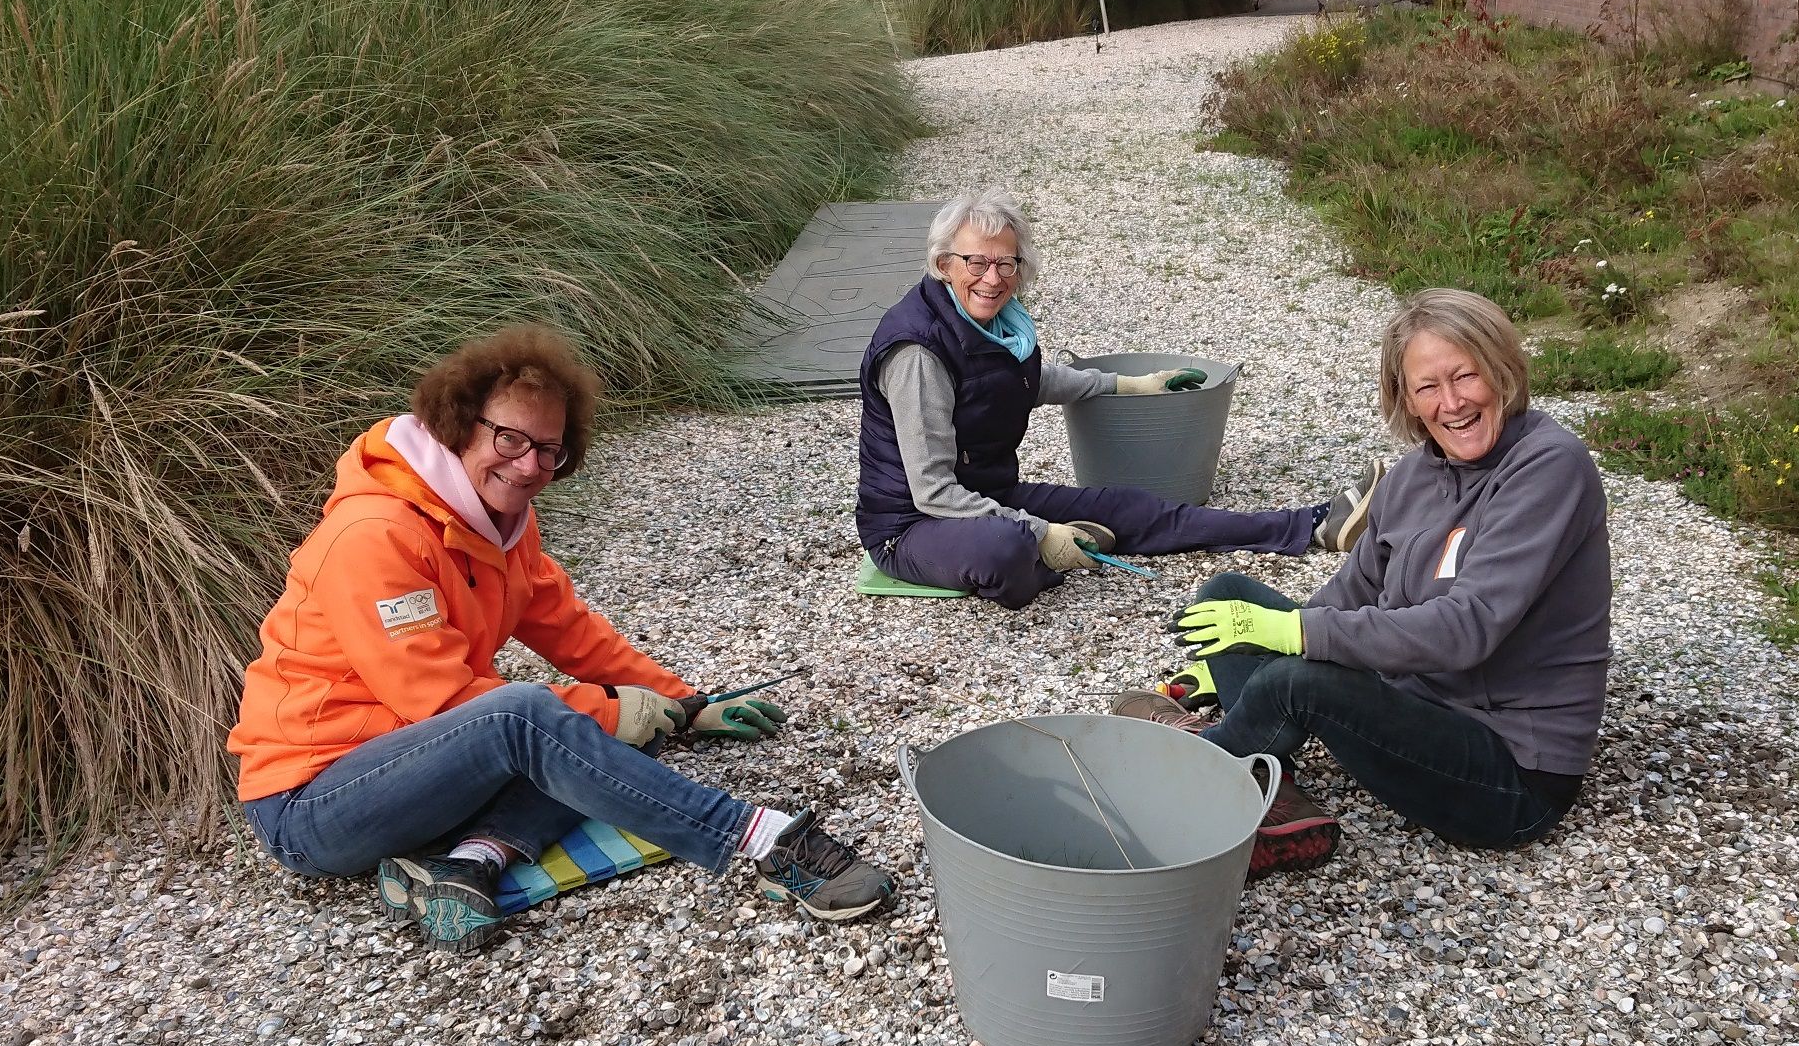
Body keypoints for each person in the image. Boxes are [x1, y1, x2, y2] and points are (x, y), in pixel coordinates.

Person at [229, 326, 893, 954]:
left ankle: (468, 864)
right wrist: (607, 709)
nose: (530, 466)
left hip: (417, 779)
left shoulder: (503, 523)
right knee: (534, 717)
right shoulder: (375, 536)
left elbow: (570, 631)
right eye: (513, 439)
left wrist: (683, 703)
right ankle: (763, 841)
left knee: (632, 725)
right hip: (312, 805)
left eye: (550, 450)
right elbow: (439, 703)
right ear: (459, 422)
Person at [1112, 288, 1611, 877]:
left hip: (1509, 775)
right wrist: (1263, 637)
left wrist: (1290, 636)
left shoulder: (1548, 467)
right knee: (1226, 594)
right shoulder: (1411, 477)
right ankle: (1263, 778)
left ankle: (1189, 789)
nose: (1452, 402)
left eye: (1465, 376)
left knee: (1296, 680)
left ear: (1501, 370)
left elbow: (1466, 629)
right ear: (1406, 400)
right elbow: (1349, 595)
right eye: (1428, 387)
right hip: (1416, 699)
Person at [855, 189, 1384, 608]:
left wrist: (1127, 385)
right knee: (1006, 550)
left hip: (990, 493)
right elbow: (931, 492)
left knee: (1129, 506)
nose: (993, 279)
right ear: (944, 263)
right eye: (976, 263)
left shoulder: (999, 327)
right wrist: (1038, 531)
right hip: (912, 524)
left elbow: (1023, 383)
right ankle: (1057, 549)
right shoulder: (917, 352)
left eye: (1006, 264)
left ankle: (1309, 524)